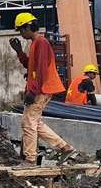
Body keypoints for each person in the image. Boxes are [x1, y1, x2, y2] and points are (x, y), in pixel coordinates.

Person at [10, 13, 78, 165]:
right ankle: (66, 148)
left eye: (21, 30)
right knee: (35, 122)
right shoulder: (35, 43)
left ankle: (30, 159)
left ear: (28, 27)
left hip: (42, 89)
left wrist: (32, 91)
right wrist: (20, 52)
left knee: (28, 123)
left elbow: (40, 71)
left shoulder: (41, 43)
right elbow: (31, 66)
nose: (21, 33)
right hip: (42, 88)